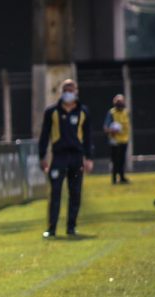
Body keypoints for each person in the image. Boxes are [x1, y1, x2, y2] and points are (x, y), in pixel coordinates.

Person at [38, 79, 93, 238]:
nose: (68, 93)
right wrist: (42, 156)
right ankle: (52, 228)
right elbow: (44, 135)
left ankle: (71, 227)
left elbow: (88, 136)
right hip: (59, 157)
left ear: (76, 92)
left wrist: (89, 157)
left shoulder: (83, 111)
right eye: (65, 90)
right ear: (62, 92)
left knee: (75, 192)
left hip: (76, 157)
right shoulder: (52, 112)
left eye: (71, 90)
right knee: (55, 192)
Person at [103, 94, 131, 184]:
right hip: (114, 141)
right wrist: (112, 130)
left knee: (122, 160)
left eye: (121, 102)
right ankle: (114, 179)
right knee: (115, 161)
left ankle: (122, 177)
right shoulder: (111, 113)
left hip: (124, 140)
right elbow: (106, 128)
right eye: (118, 102)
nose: (120, 104)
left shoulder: (126, 112)